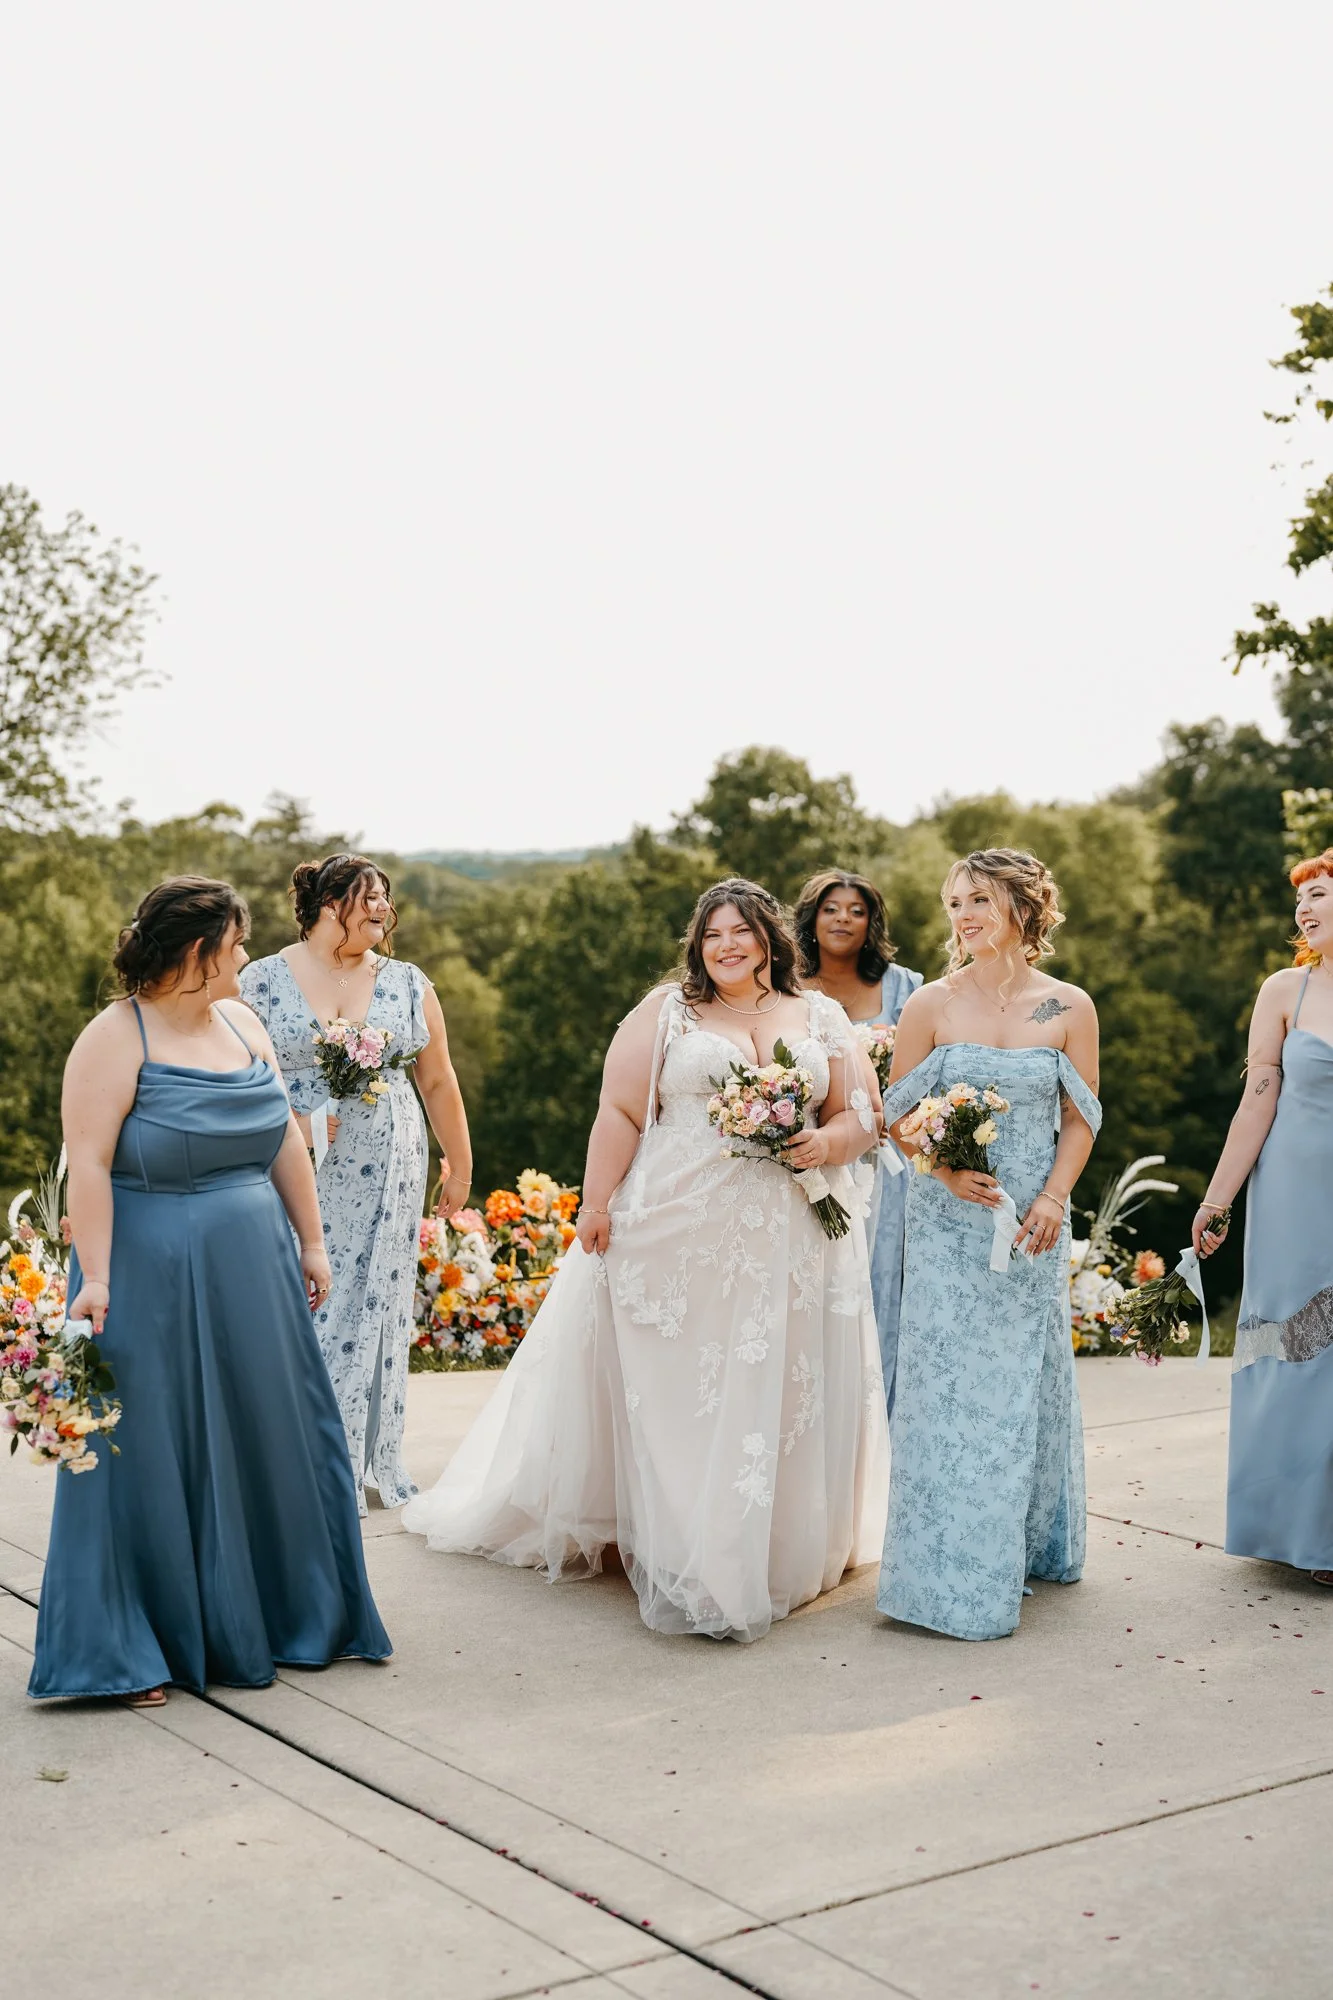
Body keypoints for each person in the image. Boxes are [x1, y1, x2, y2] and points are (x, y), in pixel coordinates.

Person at [403, 878, 889, 1642]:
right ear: (698, 947)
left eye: (740, 932)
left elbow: (861, 1115)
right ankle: (685, 1540)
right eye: (711, 935)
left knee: (776, 1388)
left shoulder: (819, 1014)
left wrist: (826, 1144)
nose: (726, 946)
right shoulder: (669, 1013)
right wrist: (595, 1207)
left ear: (769, 938)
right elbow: (621, 1112)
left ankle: (766, 1545)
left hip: (795, 1233)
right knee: (688, 1387)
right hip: (679, 1224)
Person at [30, 876, 390, 1706]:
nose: (243, 954)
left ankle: (284, 1615)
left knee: (277, 1429)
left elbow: (285, 1140)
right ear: (196, 951)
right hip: (145, 1267)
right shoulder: (114, 1038)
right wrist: (98, 1281)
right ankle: (128, 1652)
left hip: (254, 1264)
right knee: (146, 1452)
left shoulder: (243, 1021)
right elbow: (86, 1163)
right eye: (234, 941)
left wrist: (310, 1239)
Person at [877, 848, 1101, 1642]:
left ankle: (1025, 1543)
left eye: (977, 899)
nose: (962, 915)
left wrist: (1051, 1198)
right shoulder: (930, 1006)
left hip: (1035, 1221)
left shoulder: (1068, 1006)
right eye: (952, 903)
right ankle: (940, 1572)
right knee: (947, 1391)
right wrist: (941, 1170)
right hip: (948, 1226)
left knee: (1017, 1386)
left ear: (1020, 906)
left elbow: (1080, 1119)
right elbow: (895, 1114)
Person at [240, 854, 472, 1514]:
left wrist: (462, 1162)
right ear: (325, 904)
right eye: (365, 898)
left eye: (384, 899)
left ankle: (364, 1451)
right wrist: (305, 1121)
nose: (380, 909)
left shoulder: (406, 981)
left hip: (393, 1161)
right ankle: (295, 1452)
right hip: (293, 1162)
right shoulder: (260, 979)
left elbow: (437, 1079)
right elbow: (237, 1068)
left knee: (377, 1295)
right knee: (303, 1295)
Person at [1192, 848, 1333, 1586]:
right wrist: (1217, 1199)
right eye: (1298, 901)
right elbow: (1257, 1101)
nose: (1302, 910)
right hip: (1293, 1198)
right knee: (1300, 1346)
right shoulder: (1285, 989)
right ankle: (1300, 1531)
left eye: (1317, 895)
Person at [795, 869, 922, 1410]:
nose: (843, 918)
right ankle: (816, 1408)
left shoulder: (906, 989)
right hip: (812, 1158)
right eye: (830, 908)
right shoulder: (787, 986)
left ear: (872, 923)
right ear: (812, 918)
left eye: (856, 910)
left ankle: (881, 1412)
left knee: (881, 1282)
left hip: (890, 1164)